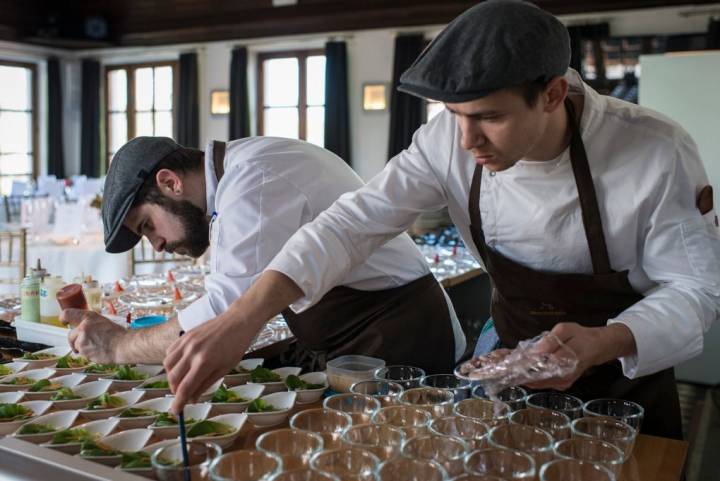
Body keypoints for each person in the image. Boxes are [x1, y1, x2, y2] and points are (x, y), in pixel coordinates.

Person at [162, 0, 720, 439]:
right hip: (514, 365)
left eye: (489, 118)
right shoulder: (444, 144)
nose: (467, 141)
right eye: (454, 117)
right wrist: (240, 319)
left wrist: (602, 342)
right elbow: (350, 224)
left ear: (553, 94)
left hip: (627, 377)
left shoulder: (654, 150)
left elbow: (695, 289)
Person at [62, 136, 466, 374]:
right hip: (359, 337)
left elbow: (224, 314)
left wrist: (119, 346)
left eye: (147, 226)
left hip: (396, 340)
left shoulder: (252, 181)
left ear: (169, 183)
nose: (158, 245)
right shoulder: (237, 173)